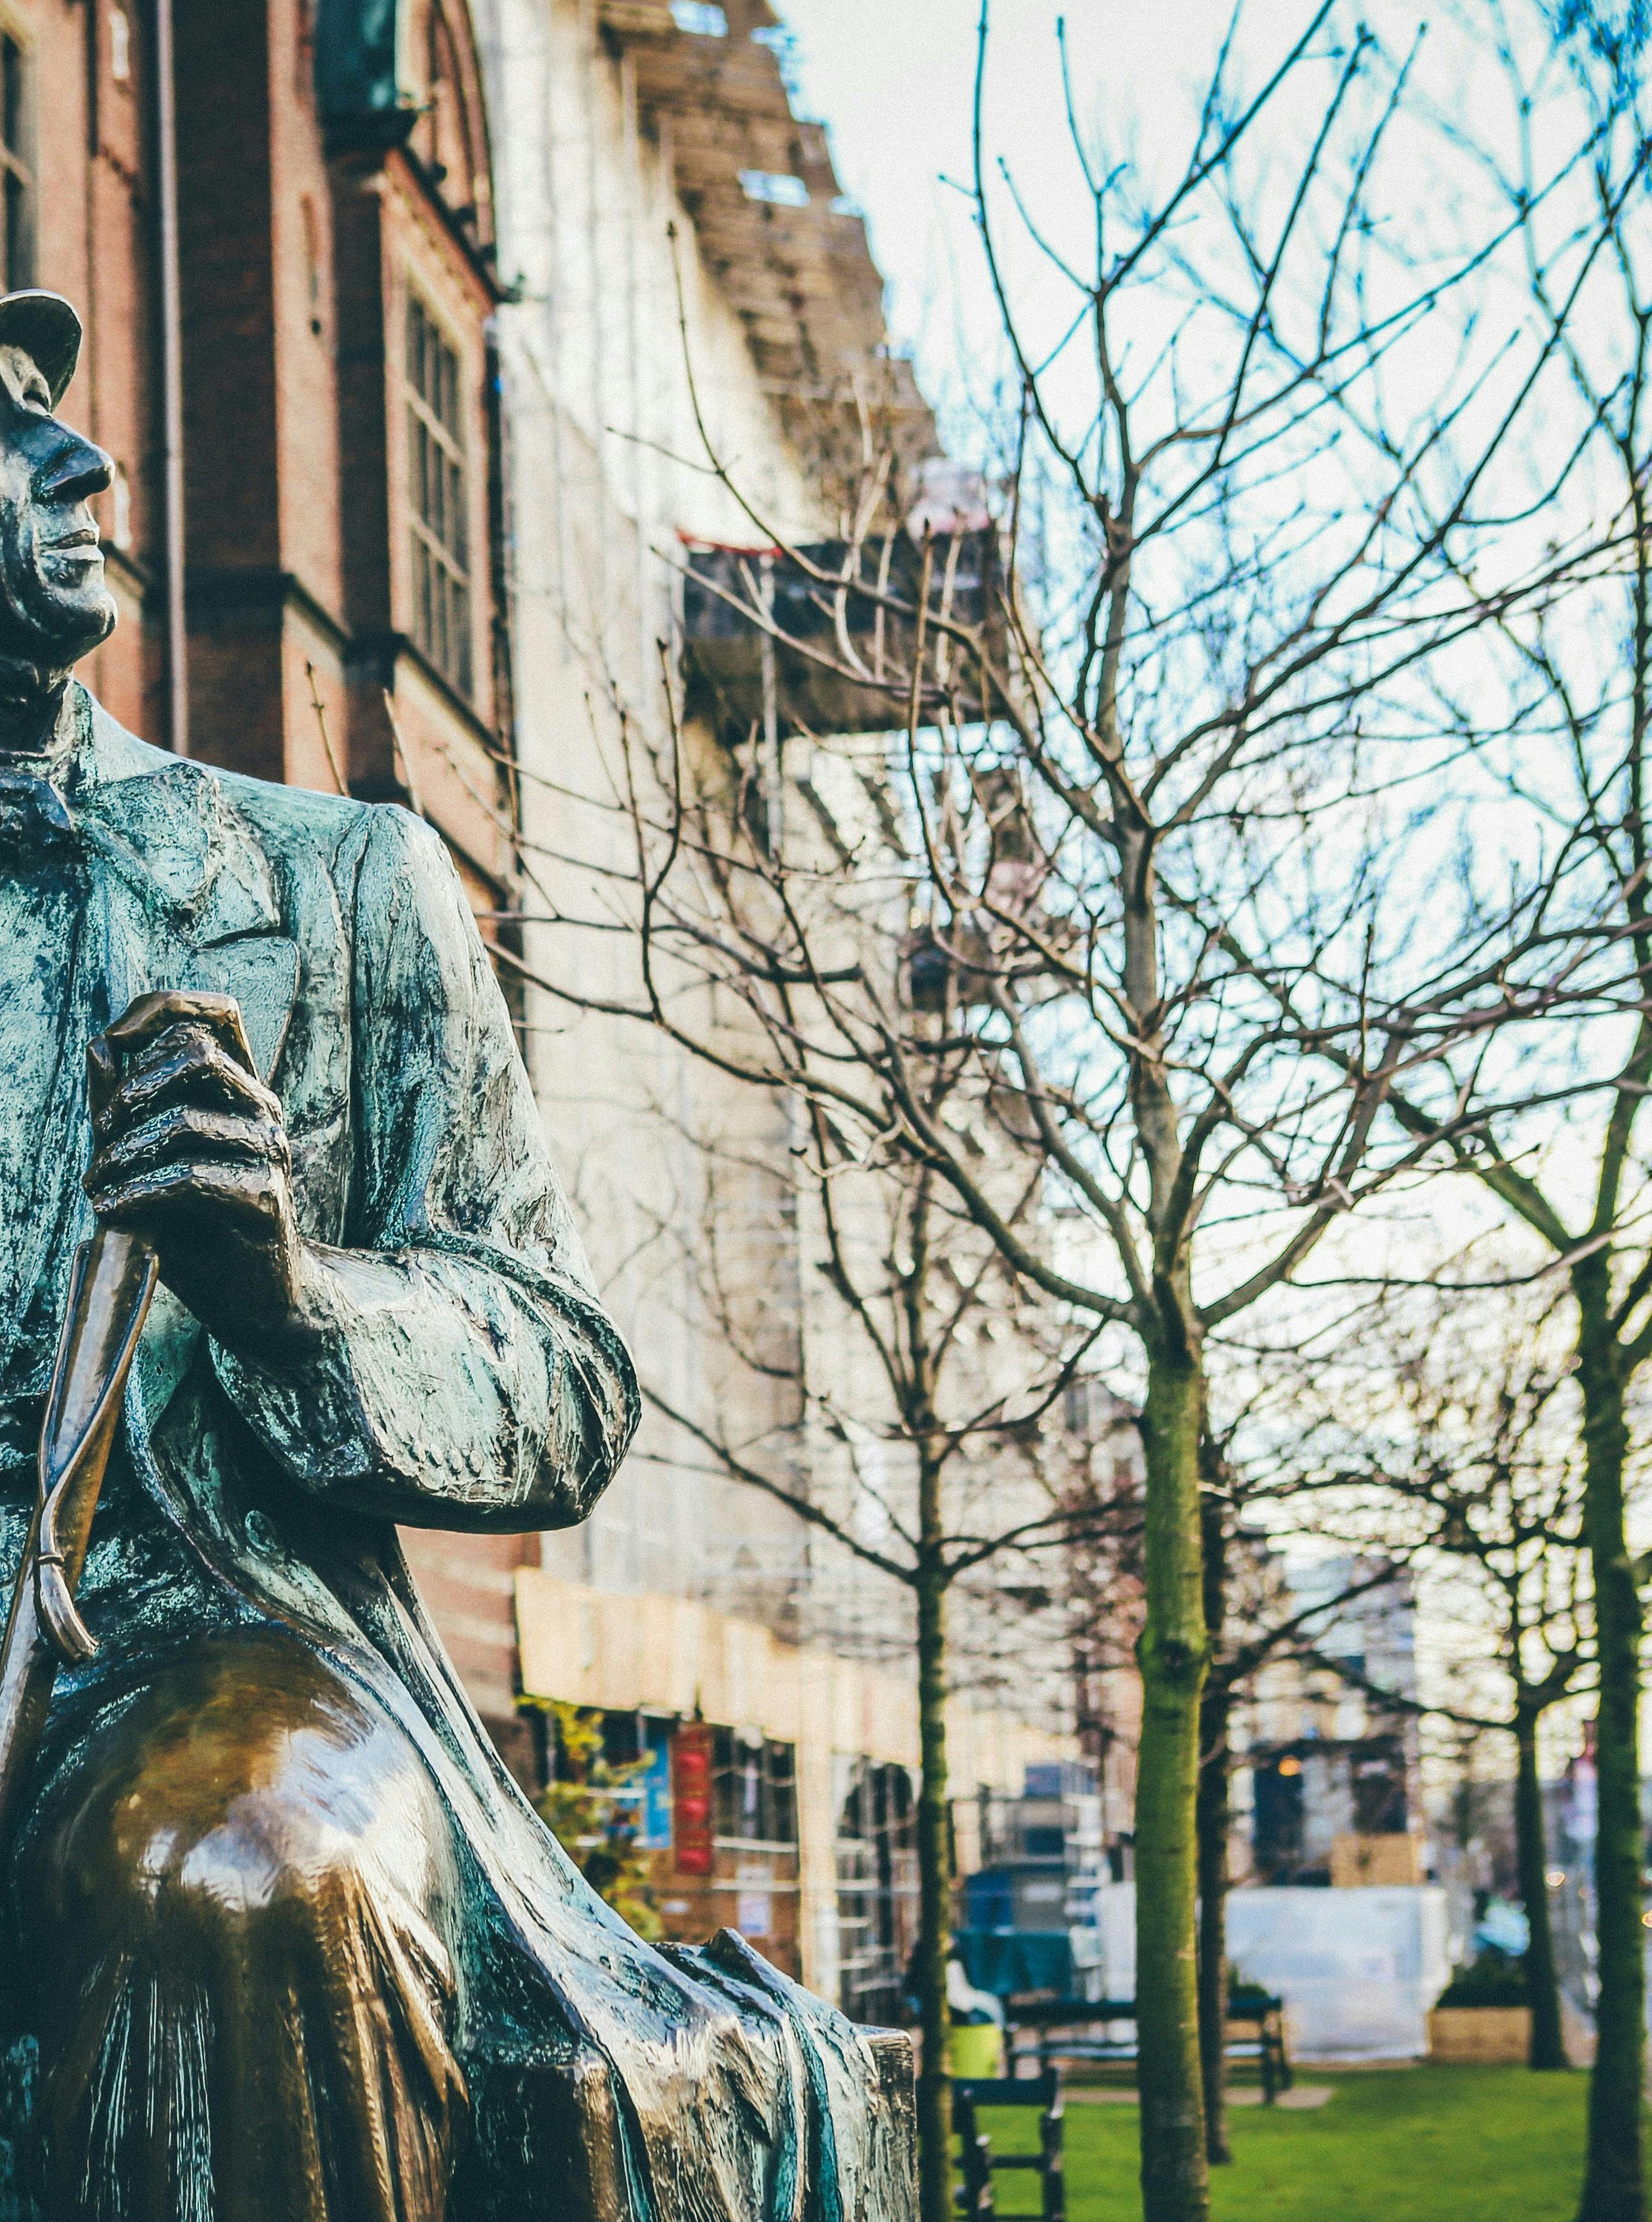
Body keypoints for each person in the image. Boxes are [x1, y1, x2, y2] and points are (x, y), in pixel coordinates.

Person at [0, 289, 910, 2222]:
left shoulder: (330, 885)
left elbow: (560, 1375)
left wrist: (293, 1297)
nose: (80, 461)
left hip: (177, 1642)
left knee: (248, 1849)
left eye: (56, 411)